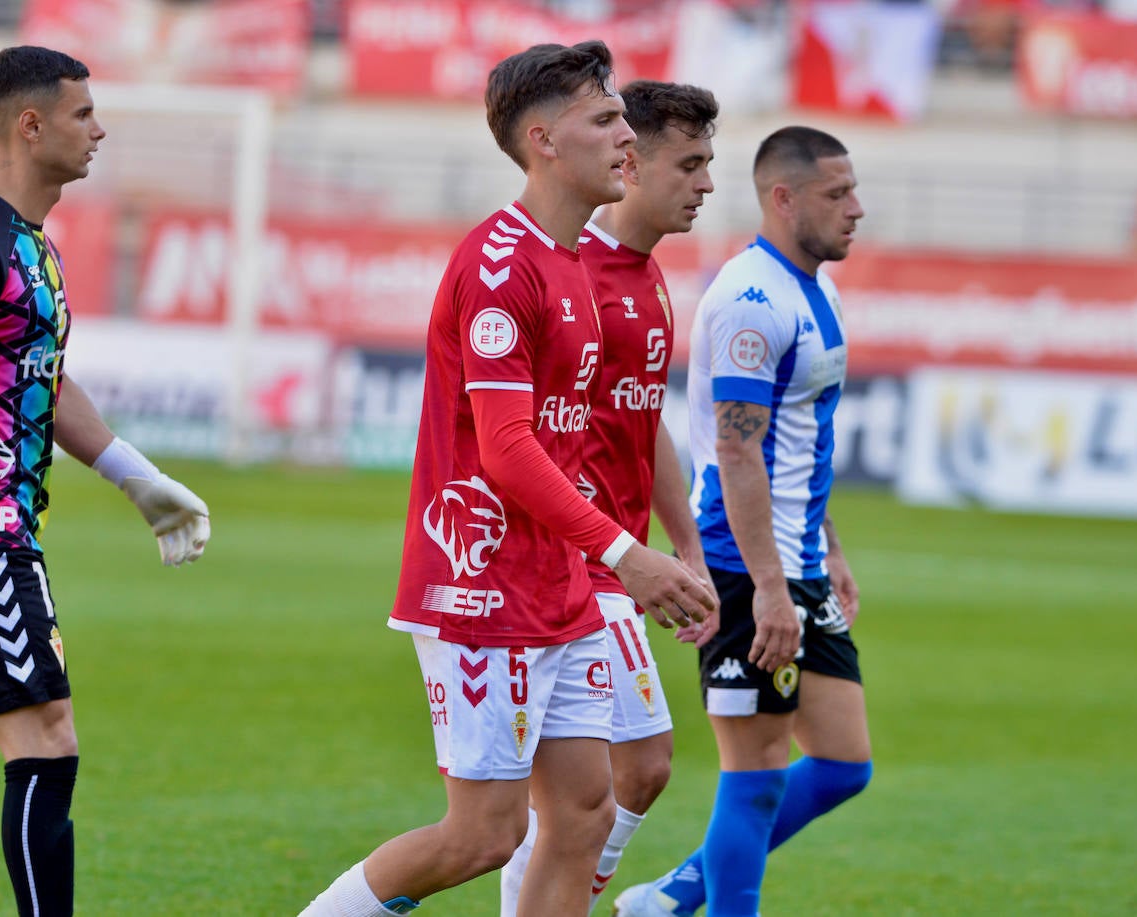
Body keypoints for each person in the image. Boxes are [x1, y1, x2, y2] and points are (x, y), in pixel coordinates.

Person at [297, 42, 716, 917]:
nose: (625, 141)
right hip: (481, 585)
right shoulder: (500, 265)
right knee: (482, 833)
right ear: (542, 141)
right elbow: (507, 449)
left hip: (558, 583)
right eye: (604, 121)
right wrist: (625, 552)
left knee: (586, 811)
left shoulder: (573, 266)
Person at [0, 46, 211, 916]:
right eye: (82, 113)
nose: (99, 129)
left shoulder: (31, 244)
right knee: (48, 746)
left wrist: (139, 478)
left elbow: (42, 381)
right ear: (31, 124)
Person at [612, 126, 873, 917]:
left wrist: (826, 547)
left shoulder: (814, 288)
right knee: (755, 777)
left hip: (795, 559)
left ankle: (671, 897)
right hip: (744, 565)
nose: (856, 209)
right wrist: (765, 586)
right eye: (837, 195)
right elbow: (737, 453)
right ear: (782, 198)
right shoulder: (750, 304)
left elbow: (803, 439)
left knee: (841, 763)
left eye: (854, 190)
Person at [498, 79, 721, 917]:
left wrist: (688, 543)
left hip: (619, 557)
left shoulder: (645, 275)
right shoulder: (572, 269)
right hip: (578, 562)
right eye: (690, 164)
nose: (704, 184)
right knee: (619, 777)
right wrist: (619, 553)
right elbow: (523, 434)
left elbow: (641, 420)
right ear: (632, 159)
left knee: (617, 780)